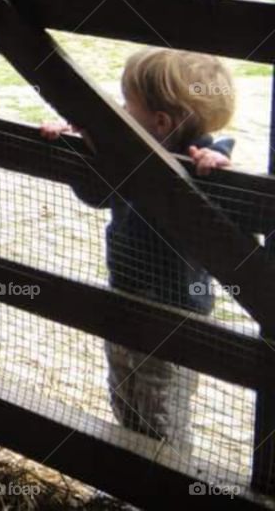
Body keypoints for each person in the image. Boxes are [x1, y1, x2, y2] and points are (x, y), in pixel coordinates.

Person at [40, 48, 236, 455]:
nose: (119, 112)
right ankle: (133, 476)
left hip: (174, 313)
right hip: (124, 299)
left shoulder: (206, 161)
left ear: (160, 123)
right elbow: (98, 195)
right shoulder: (129, 155)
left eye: (127, 105)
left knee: (161, 411)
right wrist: (76, 148)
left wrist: (218, 167)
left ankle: (168, 485)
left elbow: (227, 203)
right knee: (125, 394)